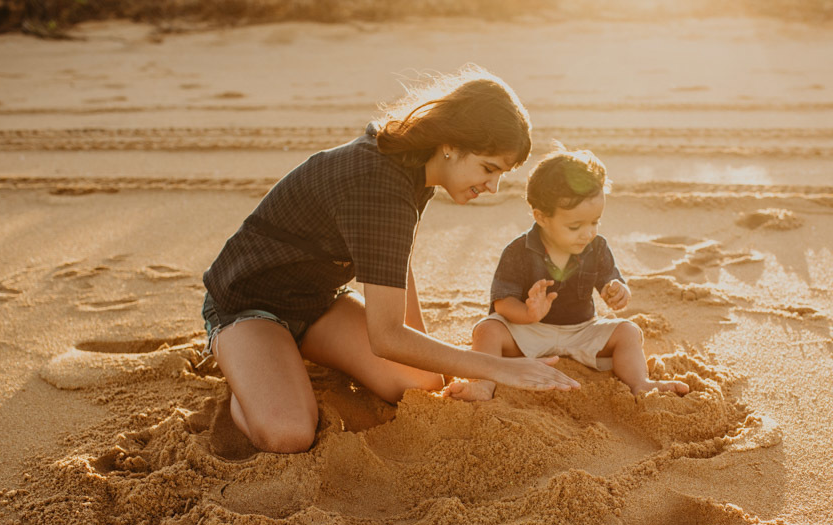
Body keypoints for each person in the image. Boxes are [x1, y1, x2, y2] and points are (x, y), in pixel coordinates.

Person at [201, 66, 579, 453]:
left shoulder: (418, 169)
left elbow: (397, 265)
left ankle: (279, 358)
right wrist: (496, 367)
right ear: (451, 143)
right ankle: (244, 367)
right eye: (488, 168)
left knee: (423, 384)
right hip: (248, 304)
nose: (493, 186)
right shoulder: (380, 181)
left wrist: (438, 369)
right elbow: (386, 337)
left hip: (315, 303)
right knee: (289, 433)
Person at [443, 147, 690, 402]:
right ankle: (483, 385)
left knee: (628, 331)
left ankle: (640, 383)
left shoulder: (597, 247)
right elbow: (502, 303)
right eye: (575, 226)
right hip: (531, 330)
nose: (588, 233)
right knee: (488, 330)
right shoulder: (518, 251)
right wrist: (528, 314)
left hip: (582, 329)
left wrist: (618, 292)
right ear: (541, 217)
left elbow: (612, 282)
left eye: (595, 222)